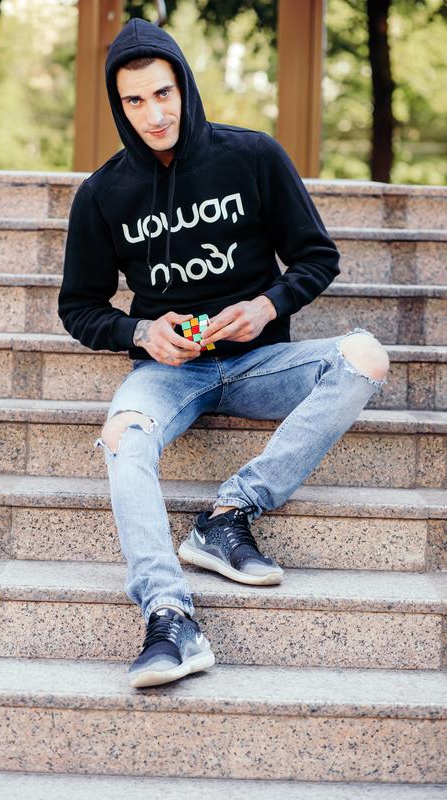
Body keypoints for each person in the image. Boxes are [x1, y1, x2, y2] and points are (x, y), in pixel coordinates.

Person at [58, 18, 390, 689]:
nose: (154, 114)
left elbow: (316, 257)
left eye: (163, 93)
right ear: (118, 106)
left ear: (184, 85)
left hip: (257, 365)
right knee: (122, 435)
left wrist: (266, 306)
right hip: (167, 373)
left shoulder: (253, 156)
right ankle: (168, 614)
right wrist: (140, 333)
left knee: (365, 355)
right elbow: (80, 307)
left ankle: (229, 513)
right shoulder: (102, 194)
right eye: (134, 101)